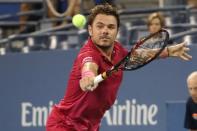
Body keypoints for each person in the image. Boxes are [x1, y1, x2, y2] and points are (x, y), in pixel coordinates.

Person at [46, 4, 192, 131]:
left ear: (117, 31)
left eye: (110, 27)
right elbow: (88, 66)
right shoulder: (88, 53)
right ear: (90, 30)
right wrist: (88, 77)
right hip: (65, 125)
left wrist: (167, 51)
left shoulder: (117, 50)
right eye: (100, 26)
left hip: (90, 125)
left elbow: (136, 57)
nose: (105, 31)